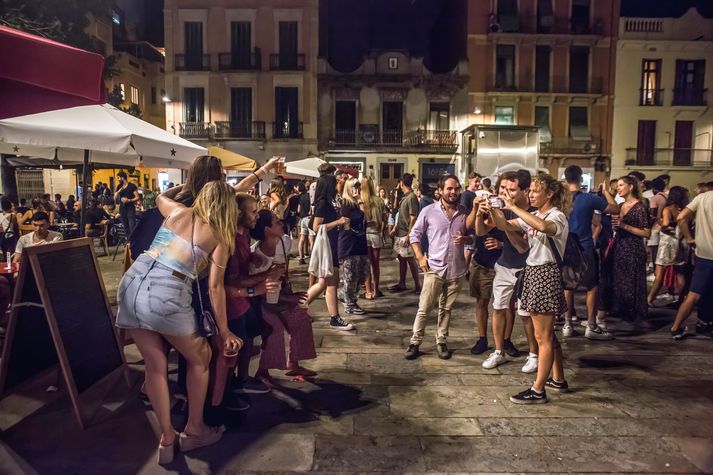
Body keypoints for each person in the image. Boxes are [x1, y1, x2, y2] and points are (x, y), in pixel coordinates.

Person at [116, 181, 242, 462]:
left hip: (132, 282)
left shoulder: (177, 212)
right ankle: (195, 430)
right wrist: (224, 330)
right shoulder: (221, 235)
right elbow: (215, 287)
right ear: (228, 207)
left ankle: (167, 438)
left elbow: (160, 196)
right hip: (167, 292)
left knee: (155, 364)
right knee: (201, 357)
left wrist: (186, 184)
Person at [490, 173, 569, 404]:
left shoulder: (557, 216)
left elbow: (544, 226)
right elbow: (504, 224)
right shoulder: (533, 215)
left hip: (546, 273)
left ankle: (537, 390)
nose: (530, 194)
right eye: (530, 191)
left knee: (542, 336)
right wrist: (494, 207)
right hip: (533, 273)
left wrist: (514, 206)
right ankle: (558, 379)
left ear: (550, 193)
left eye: (535, 191)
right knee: (546, 335)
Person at [405, 175, 470, 360]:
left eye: (456, 189)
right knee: (424, 308)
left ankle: (441, 341)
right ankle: (415, 342)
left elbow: (473, 236)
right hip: (434, 267)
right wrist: (420, 257)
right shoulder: (428, 211)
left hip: (456, 269)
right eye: (449, 189)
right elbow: (414, 235)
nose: (453, 192)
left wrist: (466, 239)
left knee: (446, 309)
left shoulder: (464, 212)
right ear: (440, 191)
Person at [480, 170, 538, 372]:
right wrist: (482, 212)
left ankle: (533, 354)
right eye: (503, 188)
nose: (506, 193)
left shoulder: (533, 212)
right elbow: (480, 231)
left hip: (526, 268)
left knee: (526, 314)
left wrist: (503, 224)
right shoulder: (503, 208)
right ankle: (498, 351)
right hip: (505, 265)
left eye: (512, 189)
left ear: (524, 190)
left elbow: (523, 246)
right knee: (498, 308)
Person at [249, 210, 316, 379]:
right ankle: (262, 371)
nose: (281, 223)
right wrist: (289, 298)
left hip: (282, 294)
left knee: (300, 317)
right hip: (261, 302)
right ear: (267, 230)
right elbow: (261, 294)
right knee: (275, 329)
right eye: (276, 221)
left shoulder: (284, 242)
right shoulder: (256, 257)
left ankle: (293, 363)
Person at [561, 165, 618, 340]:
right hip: (585, 245)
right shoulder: (589, 198)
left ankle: (567, 323)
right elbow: (614, 209)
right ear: (580, 179)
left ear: (566, 178)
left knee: (567, 285)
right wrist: (607, 191)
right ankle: (591, 325)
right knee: (592, 286)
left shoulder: (561, 199)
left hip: (566, 246)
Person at [601, 176, 651, 326]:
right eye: (617, 186)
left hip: (633, 248)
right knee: (619, 279)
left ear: (631, 186)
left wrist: (624, 226)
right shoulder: (621, 205)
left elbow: (646, 233)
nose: (618, 188)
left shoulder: (640, 207)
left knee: (632, 280)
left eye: (621, 185)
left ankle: (633, 312)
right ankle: (620, 308)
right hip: (619, 245)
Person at [309, 172, 355, 330]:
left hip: (331, 243)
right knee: (330, 282)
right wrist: (338, 222)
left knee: (325, 283)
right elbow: (315, 227)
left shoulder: (328, 202)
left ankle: (296, 309)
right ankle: (334, 318)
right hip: (326, 246)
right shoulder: (323, 204)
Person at [467, 176, 506, 357]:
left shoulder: (509, 211)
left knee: (505, 307)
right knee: (481, 302)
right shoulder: (482, 210)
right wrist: (477, 209)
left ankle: (505, 341)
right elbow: (475, 230)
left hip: (503, 264)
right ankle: (482, 339)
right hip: (482, 263)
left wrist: (501, 245)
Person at [670, 188, 713, 339]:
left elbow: (681, 217)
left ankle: (676, 327)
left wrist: (689, 238)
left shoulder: (702, 197)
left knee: (694, 294)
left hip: (703, 254)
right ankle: (705, 323)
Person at [338, 177, 369, 315]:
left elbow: (365, 218)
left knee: (363, 273)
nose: (357, 190)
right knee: (350, 276)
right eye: (354, 187)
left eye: (358, 187)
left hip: (360, 243)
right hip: (349, 245)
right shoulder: (346, 203)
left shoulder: (356, 203)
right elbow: (358, 217)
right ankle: (349, 303)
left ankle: (344, 294)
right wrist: (360, 201)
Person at [389, 173, 421, 293]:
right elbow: (401, 215)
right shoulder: (405, 197)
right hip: (400, 232)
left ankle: (418, 285)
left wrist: (409, 235)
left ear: (402, 183)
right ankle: (402, 283)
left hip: (405, 233)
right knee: (401, 258)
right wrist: (395, 227)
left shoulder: (411, 197)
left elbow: (413, 217)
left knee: (410, 259)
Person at [362, 176, 387, 300]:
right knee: (375, 265)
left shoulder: (360, 201)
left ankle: (368, 291)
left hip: (364, 235)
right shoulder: (379, 201)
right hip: (376, 234)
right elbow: (385, 219)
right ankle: (376, 290)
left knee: (366, 264)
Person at [461, 172, 481, 269]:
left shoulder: (474, 194)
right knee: (468, 250)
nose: (478, 184)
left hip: (474, 227)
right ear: (470, 181)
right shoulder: (466, 195)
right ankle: (463, 271)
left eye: (479, 182)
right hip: (469, 228)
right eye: (476, 181)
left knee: (470, 250)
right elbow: (463, 210)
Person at [647, 178, 668, 270]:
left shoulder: (655, 198)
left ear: (653, 188)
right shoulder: (667, 197)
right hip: (665, 226)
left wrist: (647, 227)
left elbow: (652, 214)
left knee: (654, 252)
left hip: (655, 227)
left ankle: (657, 273)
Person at [114, 171, 139, 236]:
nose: (118, 179)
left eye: (119, 178)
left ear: (123, 178)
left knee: (132, 226)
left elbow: (137, 197)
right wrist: (120, 189)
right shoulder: (119, 186)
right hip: (122, 209)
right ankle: (128, 242)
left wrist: (129, 200)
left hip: (130, 208)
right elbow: (115, 197)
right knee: (125, 227)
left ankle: (134, 242)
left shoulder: (132, 186)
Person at [297, 182, 313, 265]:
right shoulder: (310, 196)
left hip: (302, 219)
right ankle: (313, 258)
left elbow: (298, 210)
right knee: (311, 239)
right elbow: (311, 208)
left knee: (302, 239)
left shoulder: (300, 197)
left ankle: (301, 257)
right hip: (309, 218)